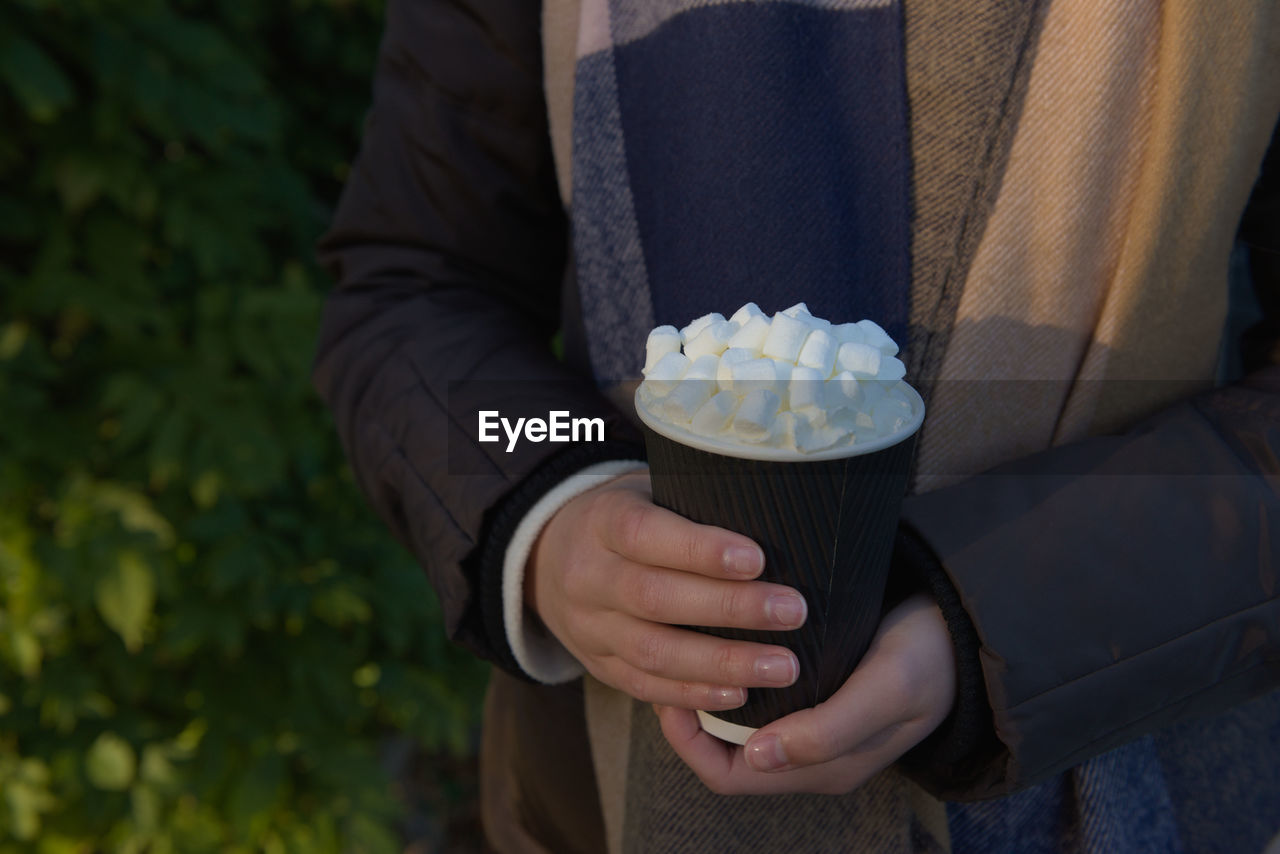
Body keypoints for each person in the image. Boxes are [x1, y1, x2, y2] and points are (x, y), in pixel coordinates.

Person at [313, 0, 1280, 850]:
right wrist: (553, 504)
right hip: (595, 801)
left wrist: (1002, 616)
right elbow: (415, 290)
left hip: (1125, 751)